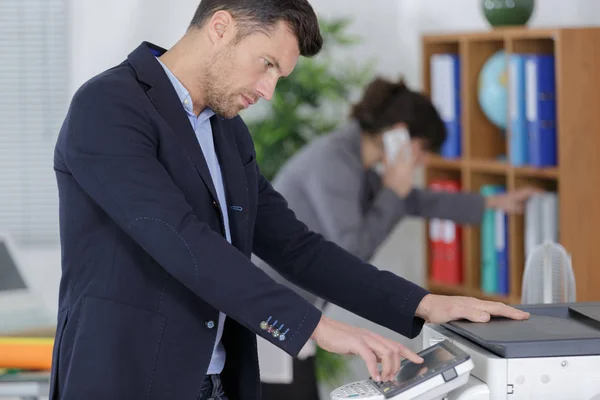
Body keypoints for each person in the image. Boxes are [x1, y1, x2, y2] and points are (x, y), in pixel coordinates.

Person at [50, 1, 529, 399]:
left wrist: (423, 304)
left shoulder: (228, 135)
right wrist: (317, 327)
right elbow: (180, 238)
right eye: (267, 65)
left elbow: (297, 247)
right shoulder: (109, 106)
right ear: (221, 27)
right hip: (125, 379)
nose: (268, 91)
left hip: (218, 383)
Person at [255, 77, 537, 399]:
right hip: (271, 313)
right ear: (400, 134)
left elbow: (412, 200)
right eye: (424, 149)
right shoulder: (333, 162)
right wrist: (394, 190)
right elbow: (353, 250)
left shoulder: (352, 159)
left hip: (294, 312)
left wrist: (493, 203)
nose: (423, 160)